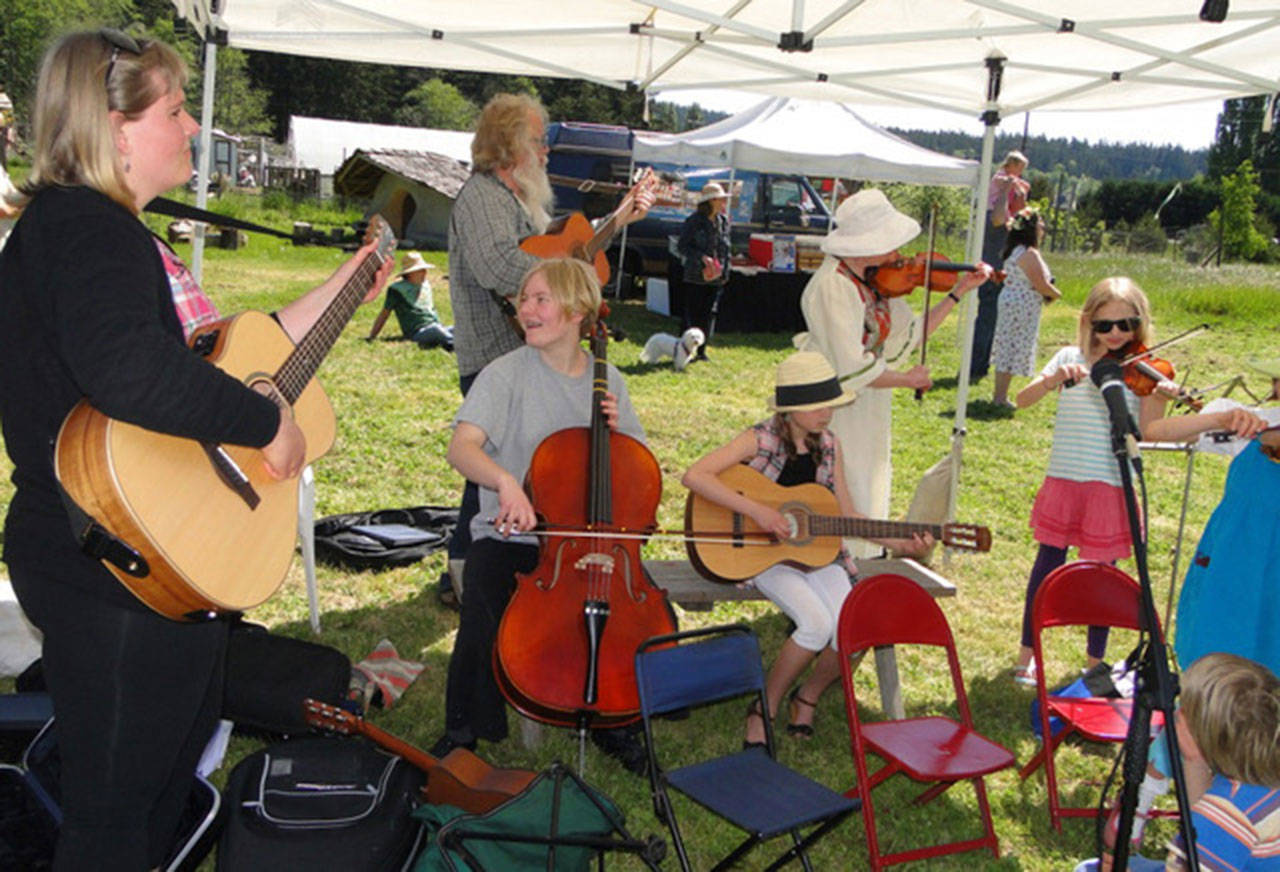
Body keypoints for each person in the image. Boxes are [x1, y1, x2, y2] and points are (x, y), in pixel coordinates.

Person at [0, 30, 390, 871]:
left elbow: (230, 354)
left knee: (151, 805)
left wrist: (351, 280)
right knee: (113, 824)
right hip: (105, 564)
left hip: (141, 558)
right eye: (175, 110)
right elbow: (133, 370)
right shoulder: (87, 229)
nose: (192, 127)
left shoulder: (107, 234)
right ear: (115, 127)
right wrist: (266, 427)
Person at [432, 257, 649, 770]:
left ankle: (614, 722)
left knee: (627, 614)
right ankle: (462, 731)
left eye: (539, 299)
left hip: (590, 536)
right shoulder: (504, 374)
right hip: (512, 535)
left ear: (576, 311)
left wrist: (616, 434)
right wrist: (506, 481)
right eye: (523, 300)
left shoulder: (608, 379)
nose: (525, 309)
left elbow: (638, 472)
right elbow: (461, 448)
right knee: (483, 594)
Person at [442, 93, 651, 608]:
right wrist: (557, 286)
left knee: (518, 462)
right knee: (489, 466)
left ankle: (492, 564)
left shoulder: (519, 202)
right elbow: (502, 269)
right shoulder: (483, 197)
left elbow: (564, 261)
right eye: (538, 141)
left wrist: (616, 224)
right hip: (496, 357)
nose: (546, 152)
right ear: (510, 143)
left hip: (534, 353)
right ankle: (467, 573)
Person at [1010, 277, 1266, 685]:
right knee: (1045, 569)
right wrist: (1053, 379)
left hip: (1111, 486)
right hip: (1065, 480)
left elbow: (1150, 431)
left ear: (1139, 325)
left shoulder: (1144, 372)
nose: (1116, 335)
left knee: (1100, 577)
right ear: (1088, 322)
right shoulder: (1068, 358)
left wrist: (1162, 397)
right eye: (1105, 326)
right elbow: (1021, 400)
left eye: (1126, 325)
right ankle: (1028, 655)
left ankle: (1095, 664)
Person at [682, 351, 931, 746]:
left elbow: (847, 513)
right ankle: (765, 706)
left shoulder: (830, 445)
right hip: (763, 553)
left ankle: (808, 697)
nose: (827, 413)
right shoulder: (759, 439)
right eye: (818, 404)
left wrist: (899, 542)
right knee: (816, 624)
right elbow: (695, 475)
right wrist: (759, 512)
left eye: (830, 403)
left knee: (851, 627)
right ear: (792, 407)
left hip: (820, 554)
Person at [794, 188, 992, 558]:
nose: (898, 257)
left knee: (867, 477)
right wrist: (907, 380)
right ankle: (833, 562)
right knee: (840, 483)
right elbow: (851, 367)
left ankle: (861, 564)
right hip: (830, 404)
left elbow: (911, 334)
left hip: (867, 402)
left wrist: (957, 292)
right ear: (865, 244)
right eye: (890, 246)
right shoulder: (833, 285)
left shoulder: (876, 282)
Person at [1075, 652, 1280, 872]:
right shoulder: (1254, 780)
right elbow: (1202, 832)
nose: (1177, 713)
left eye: (1185, 707)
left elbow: (1208, 831)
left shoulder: (1224, 816)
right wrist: (1194, 759)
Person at [990, 207, 1060, 407]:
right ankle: (1000, 397)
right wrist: (1056, 294)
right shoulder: (1028, 253)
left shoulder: (1015, 250)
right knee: (1012, 345)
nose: (1043, 227)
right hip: (1022, 304)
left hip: (1013, 300)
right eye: (1040, 224)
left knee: (1007, 344)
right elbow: (1040, 284)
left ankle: (1000, 395)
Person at [970, 149, 1030, 382]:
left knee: (991, 318)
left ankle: (981, 364)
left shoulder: (1008, 195)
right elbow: (997, 219)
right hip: (991, 267)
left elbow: (1021, 216)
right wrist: (1007, 190)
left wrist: (1021, 195)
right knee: (987, 317)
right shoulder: (998, 184)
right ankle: (976, 365)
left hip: (1000, 266)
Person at [675, 181, 730, 362]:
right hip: (695, 275)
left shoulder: (722, 222)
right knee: (691, 313)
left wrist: (724, 271)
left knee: (707, 314)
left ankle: (701, 351)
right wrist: (701, 258)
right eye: (721, 199)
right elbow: (682, 246)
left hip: (715, 277)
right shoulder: (694, 221)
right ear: (712, 201)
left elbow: (725, 248)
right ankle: (683, 350)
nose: (723, 203)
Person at [367, 250, 454, 351]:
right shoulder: (396, 290)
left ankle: (454, 340)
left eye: (424, 269)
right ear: (410, 273)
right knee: (436, 330)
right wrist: (372, 336)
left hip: (436, 326)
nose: (425, 272)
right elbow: (384, 314)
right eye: (420, 270)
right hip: (417, 332)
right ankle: (456, 345)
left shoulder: (426, 285)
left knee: (457, 329)